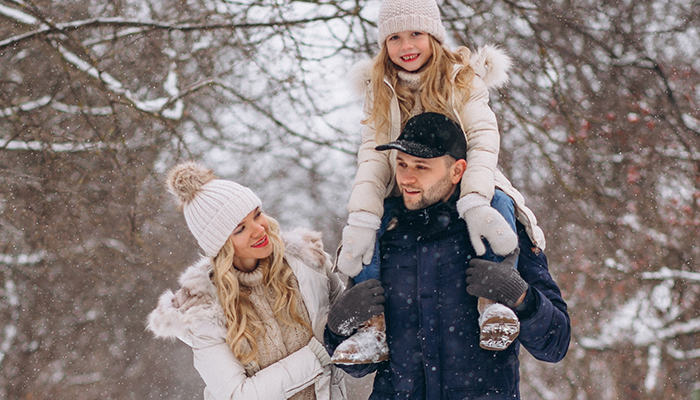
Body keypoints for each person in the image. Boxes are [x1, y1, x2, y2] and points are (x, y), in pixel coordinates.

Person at [335, 0, 546, 359]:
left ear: (434, 35)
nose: (406, 46)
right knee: (369, 228)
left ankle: (494, 303)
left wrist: (475, 198)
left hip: (467, 176)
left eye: (416, 33)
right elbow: (373, 157)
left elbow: (481, 139)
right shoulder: (380, 87)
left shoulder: (461, 78)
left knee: (497, 203)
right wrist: (362, 217)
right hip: (400, 186)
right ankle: (372, 327)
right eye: (395, 38)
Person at [325, 113, 571, 399]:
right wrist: (338, 327)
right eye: (401, 164)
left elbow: (556, 345)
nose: (407, 177)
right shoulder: (381, 237)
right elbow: (359, 365)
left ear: (457, 171)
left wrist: (521, 298)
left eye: (422, 166)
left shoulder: (498, 232)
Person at [147, 161, 347, 400]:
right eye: (240, 228)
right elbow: (239, 395)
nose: (259, 230)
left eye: (257, 215)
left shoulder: (308, 263)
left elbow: (350, 326)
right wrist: (319, 352)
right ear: (221, 246)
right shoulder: (202, 312)